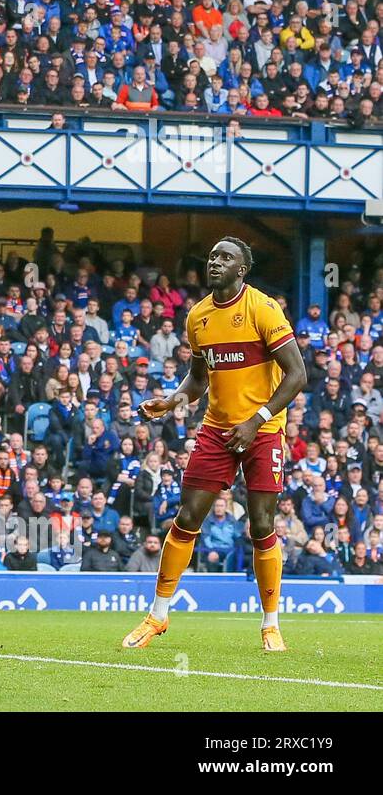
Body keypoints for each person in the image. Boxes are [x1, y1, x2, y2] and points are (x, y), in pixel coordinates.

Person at [125, 237, 306, 652]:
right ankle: (158, 616)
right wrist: (173, 399)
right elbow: (199, 378)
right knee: (186, 518)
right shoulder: (198, 317)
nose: (216, 262)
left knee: (261, 525)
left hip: (263, 429)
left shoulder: (263, 308)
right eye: (212, 256)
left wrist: (257, 419)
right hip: (217, 428)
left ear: (242, 269)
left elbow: (297, 375)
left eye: (226, 258)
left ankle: (270, 624)